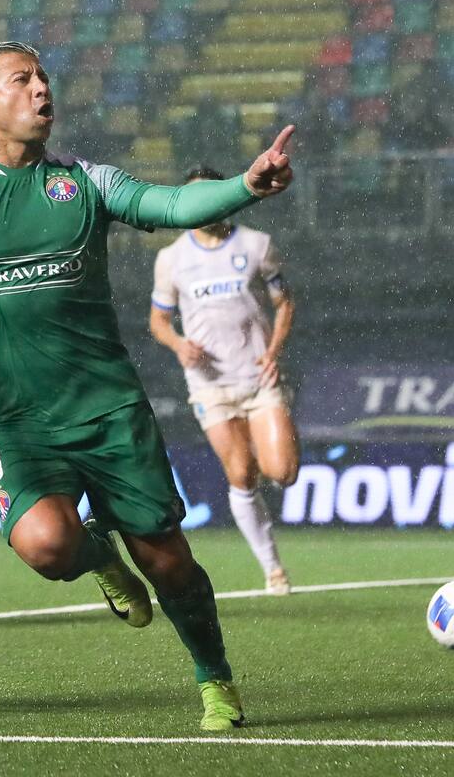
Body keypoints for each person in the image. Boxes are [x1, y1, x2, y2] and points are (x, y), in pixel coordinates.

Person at [0, 42, 294, 731]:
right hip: (17, 420)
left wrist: (245, 187)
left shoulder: (86, 181)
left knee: (171, 566)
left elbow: (169, 203)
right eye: (22, 81)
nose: (42, 90)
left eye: (44, 78)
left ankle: (214, 678)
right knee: (46, 545)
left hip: (109, 410)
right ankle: (98, 554)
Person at [149, 167, 300, 596]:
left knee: (283, 472)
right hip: (209, 385)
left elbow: (285, 303)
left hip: (257, 378)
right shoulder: (172, 258)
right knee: (240, 472)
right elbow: (158, 321)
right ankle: (273, 570)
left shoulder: (256, 245)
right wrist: (179, 345)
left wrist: (274, 351)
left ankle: (275, 444)